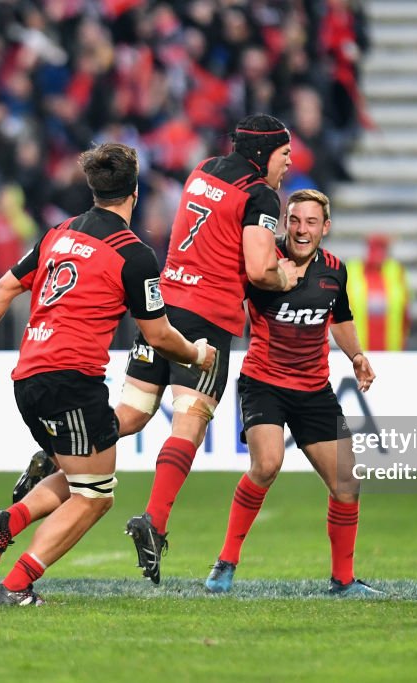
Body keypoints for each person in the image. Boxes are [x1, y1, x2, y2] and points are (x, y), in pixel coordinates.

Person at [0, 142, 216, 605]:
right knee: (96, 496)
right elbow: (160, 335)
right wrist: (198, 356)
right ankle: (16, 585)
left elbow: (5, 285)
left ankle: (5, 524)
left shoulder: (58, 234)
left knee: (81, 474)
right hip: (70, 380)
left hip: (28, 377)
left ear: (93, 189)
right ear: (135, 192)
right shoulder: (133, 254)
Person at [118, 113, 298, 584]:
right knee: (190, 420)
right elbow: (259, 269)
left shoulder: (204, 170)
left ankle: (57, 455)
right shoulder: (261, 194)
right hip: (206, 319)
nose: (289, 164)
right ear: (263, 155)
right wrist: (288, 274)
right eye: (284, 155)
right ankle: (155, 522)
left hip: (163, 306)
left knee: (131, 414)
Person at [203, 189, 380, 596]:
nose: (302, 230)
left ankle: (343, 582)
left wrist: (356, 356)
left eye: (311, 222)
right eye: (295, 220)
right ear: (285, 223)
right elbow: (225, 301)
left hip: (313, 389)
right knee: (267, 464)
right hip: (263, 382)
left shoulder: (334, 271)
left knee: (348, 484)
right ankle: (225, 563)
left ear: (325, 228)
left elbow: (340, 317)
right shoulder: (263, 266)